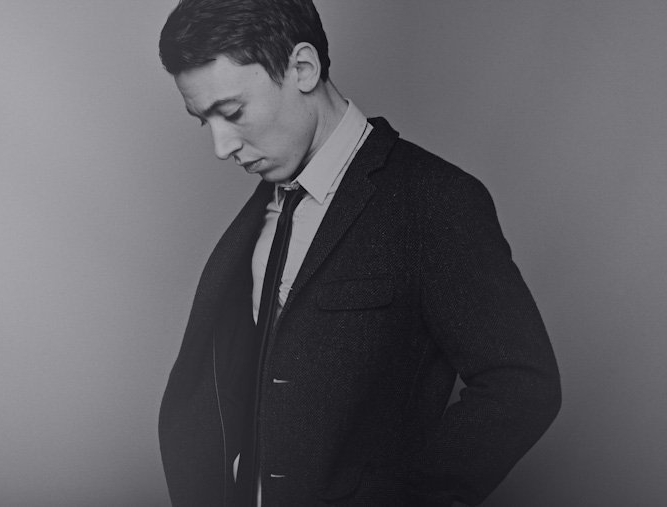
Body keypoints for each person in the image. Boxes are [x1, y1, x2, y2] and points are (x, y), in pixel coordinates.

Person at [157, 1, 561, 506]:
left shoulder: (434, 199)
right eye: (204, 122)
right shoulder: (263, 211)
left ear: (303, 68)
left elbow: (521, 383)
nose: (222, 146)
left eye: (233, 112)